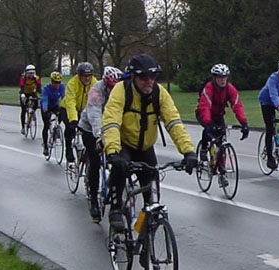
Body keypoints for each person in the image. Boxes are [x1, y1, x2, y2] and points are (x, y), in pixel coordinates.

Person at [101, 53, 197, 230]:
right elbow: (111, 121)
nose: (149, 81)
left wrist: (188, 151)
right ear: (133, 77)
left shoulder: (159, 93)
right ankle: (115, 210)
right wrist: (112, 152)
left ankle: (144, 235)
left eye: (153, 76)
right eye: (144, 77)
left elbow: (173, 122)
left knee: (153, 203)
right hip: (124, 143)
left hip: (145, 147)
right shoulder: (121, 90)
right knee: (120, 169)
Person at [78, 66, 123, 222]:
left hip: (111, 126)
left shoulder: (122, 89)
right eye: (110, 88)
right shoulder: (96, 90)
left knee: (119, 157)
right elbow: (94, 114)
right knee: (95, 161)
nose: (113, 91)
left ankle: (113, 182)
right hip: (90, 128)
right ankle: (94, 201)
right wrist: (99, 136)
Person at [195, 63, 249, 162]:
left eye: (224, 77)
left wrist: (244, 123)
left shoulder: (230, 88)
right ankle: (203, 148)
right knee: (209, 130)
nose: (223, 80)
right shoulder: (209, 88)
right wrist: (208, 123)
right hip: (203, 113)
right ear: (214, 78)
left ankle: (221, 167)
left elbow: (237, 105)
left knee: (221, 140)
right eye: (220, 77)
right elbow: (205, 106)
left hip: (218, 115)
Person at [62, 62, 97, 170]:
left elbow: (96, 102)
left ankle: (87, 155)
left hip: (85, 110)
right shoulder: (72, 83)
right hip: (68, 108)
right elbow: (70, 102)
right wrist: (73, 120)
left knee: (89, 132)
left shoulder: (95, 83)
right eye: (84, 76)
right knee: (70, 128)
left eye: (89, 76)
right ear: (79, 75)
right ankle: (68, 149)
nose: (87, 78)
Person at [40, 71, 66, 157]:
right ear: (51, 82)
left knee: (62, 114)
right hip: (46, 106)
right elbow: (44, 99)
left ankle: (56, 129)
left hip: (55, 105)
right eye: (55, 82)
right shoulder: (46, 88)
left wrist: (66, 107)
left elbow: (64, 98)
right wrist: (45, 108)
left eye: (59, 82)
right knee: (46, 125)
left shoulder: (62, 87)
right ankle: (45, 146)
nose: (57, 84)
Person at [18, 64, 41, 134]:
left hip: (32, 92)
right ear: (26, 73)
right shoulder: (23, 78)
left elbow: (39, 88)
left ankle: (32, 113)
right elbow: (21, 87)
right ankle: (23, 127)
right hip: (24, 93)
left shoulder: (37, 78)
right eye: (29, 73)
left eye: (32, 73)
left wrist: (42, 95)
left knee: (36, 103)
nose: (31, 75)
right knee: (23, 109)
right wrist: (22, 95)